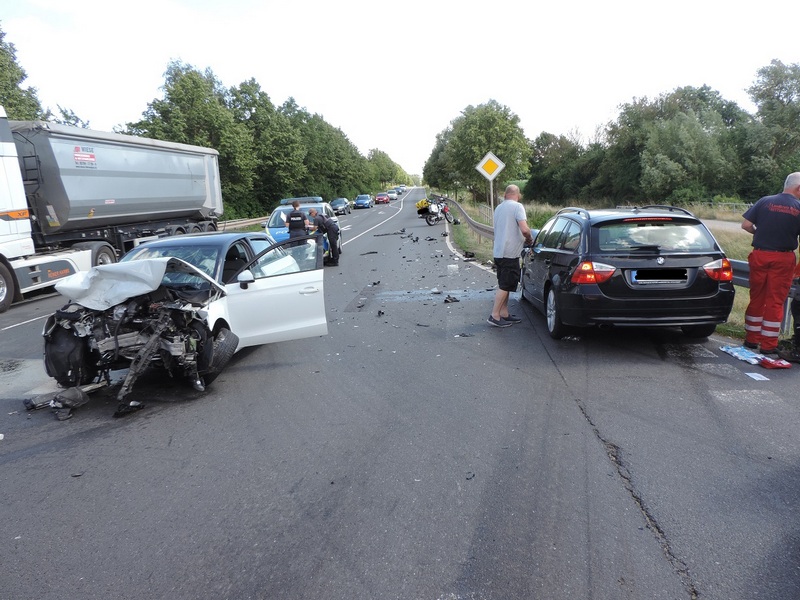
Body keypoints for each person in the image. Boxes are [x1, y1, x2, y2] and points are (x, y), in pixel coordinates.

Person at [741, 172, 800, 354]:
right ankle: (768, 345)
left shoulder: (765, 201)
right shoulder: (798, 207)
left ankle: (751, 340)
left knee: (757, 297)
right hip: (783, 258)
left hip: (759, 255)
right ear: (798, 189)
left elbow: (746, 225)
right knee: (775, 301)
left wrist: (760, 234)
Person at [488, 184, 533, 327]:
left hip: (499, 251)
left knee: (504, 283)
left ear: (505, 194)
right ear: (518, 195)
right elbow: (525, 229)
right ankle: (494, 315)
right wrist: (529, 239)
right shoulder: (517, 207)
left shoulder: (499, 208)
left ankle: (504, 313)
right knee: (506, 284)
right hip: (510, 252)